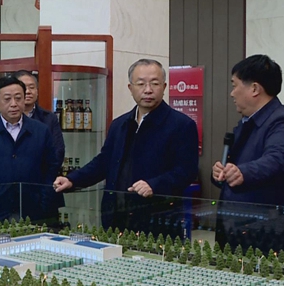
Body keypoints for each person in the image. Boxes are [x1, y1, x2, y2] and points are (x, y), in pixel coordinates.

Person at [53, 58, 199, 230]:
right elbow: (103, 162)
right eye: (141, 84)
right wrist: (72, 179)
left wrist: (154, 185)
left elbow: (186, 171)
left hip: (157, 217)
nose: (148, 90)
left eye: (155, 83)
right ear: (130, 88)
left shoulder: (181, 125)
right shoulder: (120, 124)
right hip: (115, 216)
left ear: (164, 87)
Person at [211, 54, 284, 256]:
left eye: (235, 85)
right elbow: (236, 168)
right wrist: (222, 173)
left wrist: (244, 172)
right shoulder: (247, 123)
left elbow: (278, 159)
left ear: (255, 89)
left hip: (271, 237)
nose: (232, 93)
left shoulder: (283, 123)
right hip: (240, 231)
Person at [0, 76, 60, 224]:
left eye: (18, 98)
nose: (13, 104)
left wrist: (44, 201)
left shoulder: (41, 131)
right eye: (7, 99)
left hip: (34, 212)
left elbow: (51, 169)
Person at [13, 70, 65, 223]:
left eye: (32, 87)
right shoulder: (5, 119)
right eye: (24, 87)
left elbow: (57, 153)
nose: (28, 91)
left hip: (44, 190)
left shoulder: (49, 119)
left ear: (37, 91)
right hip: (11, 195)